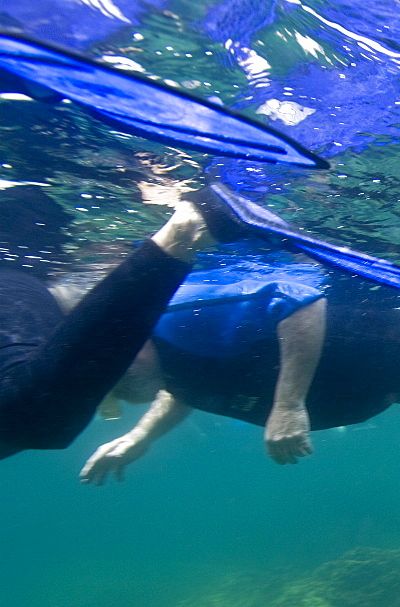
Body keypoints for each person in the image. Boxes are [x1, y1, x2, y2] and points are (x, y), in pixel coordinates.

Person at [79, 265, 400, 484]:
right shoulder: (165, 364)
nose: (125, 395)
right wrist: (140, 437)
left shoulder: (176, 316)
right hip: (367, 387)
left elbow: (298, 301)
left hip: (374, 347)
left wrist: (287, 404)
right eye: (114, 393)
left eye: (120, 379)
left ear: (128, 343)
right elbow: (184, 384)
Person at [0, 184, 241, 460]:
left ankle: (182, 232)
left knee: (31, 416)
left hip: (18, 268)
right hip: (30, 284)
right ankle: (180, 234)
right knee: (32, 419)